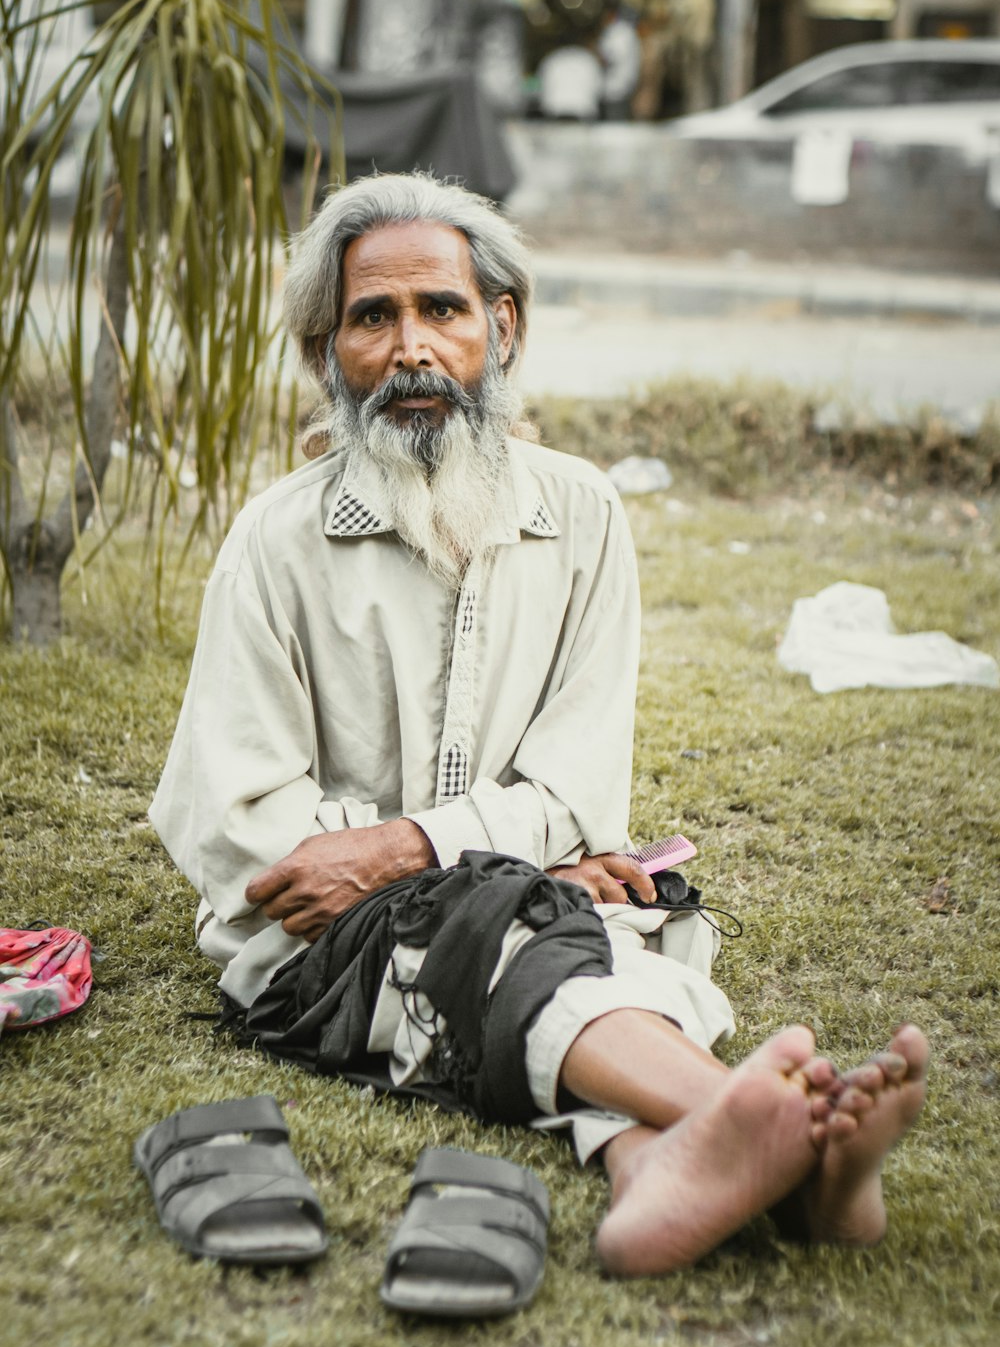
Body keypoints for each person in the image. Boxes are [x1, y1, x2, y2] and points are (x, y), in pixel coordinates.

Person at [150, 172, 928, 1276]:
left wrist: (423, 845)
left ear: (500, 328)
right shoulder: (275, 542)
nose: (411, 346)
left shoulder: (582, 515)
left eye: (443, 309)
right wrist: (484, 866)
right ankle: (770, 1135)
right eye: (373, 317)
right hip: (320, 942)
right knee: (522, 933)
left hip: (537, 890)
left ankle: (653, 1166)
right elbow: (245, 830)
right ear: (327, 350)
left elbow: (574, 784)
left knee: (617, 931)